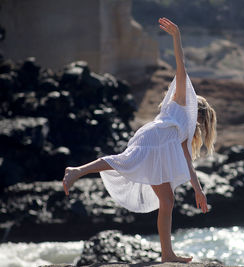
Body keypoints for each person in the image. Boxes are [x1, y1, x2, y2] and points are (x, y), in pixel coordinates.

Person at [62, 17, 217, 263]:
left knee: (165, 199)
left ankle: (167, 253)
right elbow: (181, 68)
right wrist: (177, 38)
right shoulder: (181, 100)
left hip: (152, 136)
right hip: (154, 137)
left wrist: (199, 191)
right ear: (198, 111)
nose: (199, 123)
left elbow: (188, 162)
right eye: (202, 119)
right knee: (126, 164)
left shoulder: (185, 128)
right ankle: (76, 170)